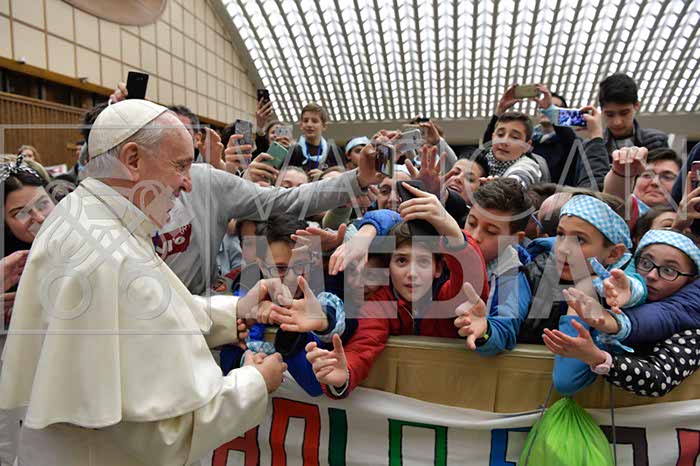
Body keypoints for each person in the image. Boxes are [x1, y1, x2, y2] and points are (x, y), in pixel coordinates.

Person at [0, 99, 288, 466]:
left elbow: (154, 307)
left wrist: (235, 312)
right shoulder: (104, 254)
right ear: (133, 159)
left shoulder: (88, 215)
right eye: (180, 165)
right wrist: (255, 383)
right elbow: (161, 435)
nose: (188, 183)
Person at [305, 183, 489, 398]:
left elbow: (472, 282)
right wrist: (345, 373)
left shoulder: (447, 295)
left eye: (423, 262)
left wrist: (450, 228)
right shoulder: (380, 304)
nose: (412, 273)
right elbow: (363, 346)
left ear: (438, 268)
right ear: (388, 266)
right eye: (401, 260)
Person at [544, 229, 700, 396]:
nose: (652, 275)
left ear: (690, 279)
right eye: (646, 263)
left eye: (669, 270)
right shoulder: (606, 295)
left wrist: (599, 358)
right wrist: (584, 293)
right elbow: (566, 380)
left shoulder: (691, 326)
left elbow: (659, 378)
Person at [518, 194, 646, 344]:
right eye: (560, 234)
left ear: (613, 254)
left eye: (579, 240)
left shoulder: (622, 279)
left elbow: (633, 286)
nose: (563, 249)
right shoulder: (532, 272)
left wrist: (608, 288)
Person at [457, 179, 533, 354]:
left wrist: (485, 331)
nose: (475, 236)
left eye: (491, 231)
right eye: (472, 223)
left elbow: (505, 330)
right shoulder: (443, 251)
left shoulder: (513, 277)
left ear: (515, 239)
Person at [599, 73, 668, 156]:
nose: (617, 122)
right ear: (601, 110)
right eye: (609, 114)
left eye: (624, 113)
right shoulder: (594, 147)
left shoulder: (657, 141)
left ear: (636, 105)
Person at [604, 147, 681, 214]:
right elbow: (615, 199)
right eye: (647, 175)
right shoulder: (626, 211)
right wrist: (621, 174)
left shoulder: (684, 219)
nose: (655, 182)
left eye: (667, 177)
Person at [482, 111, 543, 187]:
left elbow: (519, 181)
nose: (504, 142)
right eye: (500, 134)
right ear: (493, 138)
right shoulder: (480, 158)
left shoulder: (527, 167)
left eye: (514, 137)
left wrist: (502, 188)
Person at [286, 103, 344, 172]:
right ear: (301, 125)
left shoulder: (334, 151)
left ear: (324, 126)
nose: (309, 125)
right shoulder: (292, 151)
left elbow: (343, 176)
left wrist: (323, 175)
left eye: (314, 121)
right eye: (306, 121)